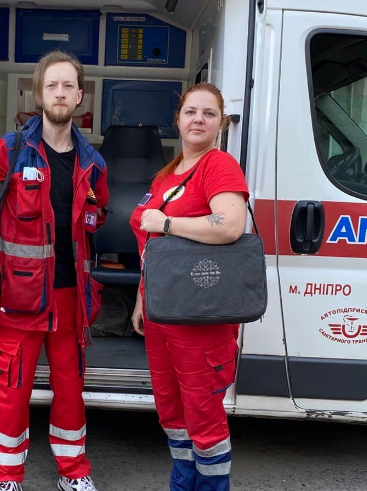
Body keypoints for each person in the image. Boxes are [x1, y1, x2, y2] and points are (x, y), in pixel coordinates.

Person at [0, 50, 109, 491]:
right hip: (20, 296)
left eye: (68, 86)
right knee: (13, 390)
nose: (60, 93)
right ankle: (7, 476)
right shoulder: (11, 150)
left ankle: (73, 471)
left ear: (80, 96)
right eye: (52, 85)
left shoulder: (94, 164)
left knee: (71, 390)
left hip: (70, 298)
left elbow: (97, 216)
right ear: (38, 94)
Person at [129, 82, 250, 491]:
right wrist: (142, 298)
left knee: (203, 415)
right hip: (162, 312)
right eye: (191, 111)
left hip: (200, 318)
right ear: (178, 120)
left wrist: (167, 222)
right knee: (172, 413)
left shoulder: (218, 166)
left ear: (221, 123)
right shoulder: (169, 173)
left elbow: (231, 225)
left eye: (209, 113)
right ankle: (182, 485)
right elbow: (151, 246)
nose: (199, 119)